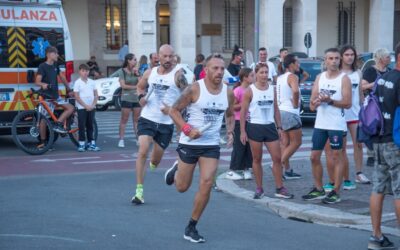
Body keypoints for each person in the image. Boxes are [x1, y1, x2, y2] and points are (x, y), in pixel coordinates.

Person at [164, 53, 235, 243]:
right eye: (215, 68)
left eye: (222, 68)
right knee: (181, 187)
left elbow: (229, 114)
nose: (220, 72)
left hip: (211, 145)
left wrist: (230, 132)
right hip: (189, 143)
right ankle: (177, 168)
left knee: (206, 183)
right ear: (206, 70)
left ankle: (191, 227)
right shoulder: (194, 89)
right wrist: (187, 129)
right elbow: (173, 110)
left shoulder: (228, 92)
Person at [131, 44, 183, 204]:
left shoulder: (178, 75)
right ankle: (139, 191)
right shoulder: (150, 72)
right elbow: (139, 87)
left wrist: (173, 110)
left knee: (155, 160)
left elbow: (189, 96)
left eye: (171, 56)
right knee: (143, 149)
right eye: (165, 56)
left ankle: (154, 164)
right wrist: (141, 98)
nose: (168, 60)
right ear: (158, 57)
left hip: (166, 123)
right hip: (147, 118)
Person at [302, 48, 352, 204]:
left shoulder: (344, 79)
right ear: (325, 60)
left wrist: (330, 100)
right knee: (313, 157)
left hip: (336, 124)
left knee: (337, 157)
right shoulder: (320, 77)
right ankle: (318, 189)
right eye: (330, 58)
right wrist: (316, 102)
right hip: (320, 124)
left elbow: (348, 103)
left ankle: (336, 191)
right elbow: (311, 105)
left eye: (337, 58)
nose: (334, 61)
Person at [240, 63, 294, 200]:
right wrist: (242, 131)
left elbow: (275, 109)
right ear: (256, 74)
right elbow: (243, 112)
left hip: (269, 126)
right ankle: (259, 188)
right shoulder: (250, 91)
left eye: (266, 72)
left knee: (277, 158)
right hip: (255, 127)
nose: (264, 75)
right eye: (261, 72)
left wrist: (280, 127)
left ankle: (279, 188)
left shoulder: (272, 89)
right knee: (257, 159)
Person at [324, 45, 371, 192]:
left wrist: (364, 110)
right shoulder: (336, 74)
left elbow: (360, 94)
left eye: (352, 54)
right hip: (340, 115)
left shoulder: (358, 73)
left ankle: (359, 173)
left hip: (355, 114)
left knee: (358, 144)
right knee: (341, 149)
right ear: (341, 57)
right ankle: (344, 178)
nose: (350, 57)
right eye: (346, 55)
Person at [367, 43, 400, 250]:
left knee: (378, 187)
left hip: (378, 140)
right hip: (395, 143)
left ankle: (376, 236)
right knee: (399, 190)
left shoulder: (383, 79)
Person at [35, 46, 74, 146]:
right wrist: (43, 84)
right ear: (49, 54)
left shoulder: (55, 65)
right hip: (47, 96)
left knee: (70, 108)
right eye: (55, 53)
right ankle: (43, 142)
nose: (57, 55)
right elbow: (37, 81)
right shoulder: (42, 66)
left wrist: (69, 89)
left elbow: (63, 78)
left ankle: (58, 124)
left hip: (55, 96)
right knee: (44, 119)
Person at [361, 48, 392, 167]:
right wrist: (376, 83)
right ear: (380, 58)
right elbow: (363, 87)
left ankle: (382, 154)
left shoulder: (389, 71)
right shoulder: (370, 71)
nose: (390, 59)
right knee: (373, 127)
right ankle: (371, 154)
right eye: (388, 57)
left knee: (384, 129)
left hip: (387, 104)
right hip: (373, 104)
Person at [276, 54, 302, 179]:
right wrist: (296, 104)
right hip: (290, 112)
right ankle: (278, 164)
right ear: (291, 64)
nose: (299, 65)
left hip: (281, 112)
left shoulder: (280, 77)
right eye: (297, 62)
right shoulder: (293, 76)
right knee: (296, 142)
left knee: (285, 143)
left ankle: (287, 170)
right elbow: (295, 91)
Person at [225, 68, 254, 180]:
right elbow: (231, 107)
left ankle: (246, 169)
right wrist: (244, 104)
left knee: (248, 146)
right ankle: (233, 169)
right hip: (238, 121)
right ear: (245, 77)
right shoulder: (237, 90)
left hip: (250, 120)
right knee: (239, 146)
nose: (254, 77)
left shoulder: (252, 89)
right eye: (252, 75)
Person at [115, 53, 141, 148]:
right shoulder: (122, 71)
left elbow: (141, 83)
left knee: (136, 120)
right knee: (124, 120)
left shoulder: (136, 71)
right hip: (126, 98)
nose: (136, 61)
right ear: (129, 60)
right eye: (134, 59)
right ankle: (121, 140)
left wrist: (137, 74)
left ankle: (138, 138)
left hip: (136, 98)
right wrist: (135, 87)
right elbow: (123, 85)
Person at [73, 64, 100, 152]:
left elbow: (96, 95)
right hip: (81, 107)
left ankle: (91, 143)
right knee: (82, 125)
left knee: (90, 125)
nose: (85, 73)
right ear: (80, 72)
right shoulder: (77, 83)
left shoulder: (92, 82)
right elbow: (77, 97)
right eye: (83, 71)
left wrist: (92, 105)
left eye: (87, 71)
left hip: (92, 107)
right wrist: (85, 106)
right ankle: (81, 144)